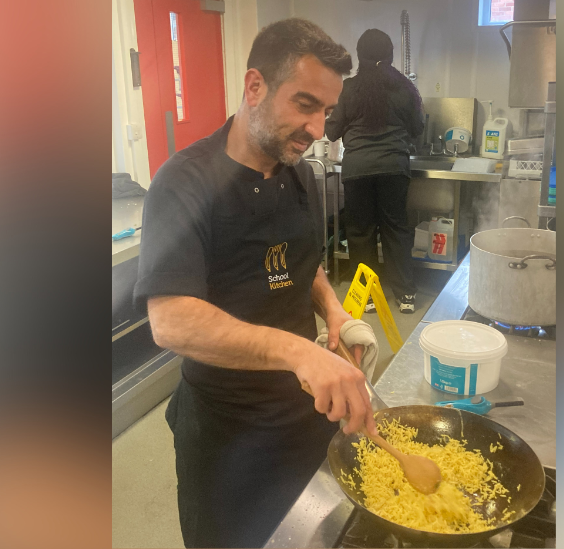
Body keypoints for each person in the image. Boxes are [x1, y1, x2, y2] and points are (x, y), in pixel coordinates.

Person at [133, 18, 377, 549]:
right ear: (254, 87)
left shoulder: (301, 175)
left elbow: (302, 262)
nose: (318, 129)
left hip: (305, 415)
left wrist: (333, 311)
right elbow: (171, 320)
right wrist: (300, 353)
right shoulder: (182, 183)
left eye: (328, 112)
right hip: (225, 433)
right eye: (306, 104)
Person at [325, 28, 425, 314]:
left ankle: (366, 296)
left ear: (360, 56)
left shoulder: (349, 89)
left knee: (360, 232)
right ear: (390, 55)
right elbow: (418, 128)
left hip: (358, 171)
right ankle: (406, 295)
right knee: (396, 229)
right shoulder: (405, 87)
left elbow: (332, 131)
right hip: (394, 168)